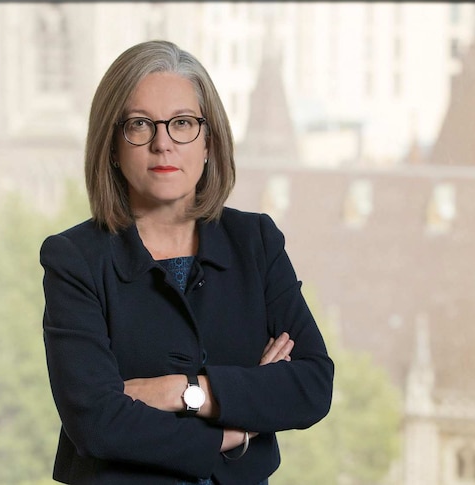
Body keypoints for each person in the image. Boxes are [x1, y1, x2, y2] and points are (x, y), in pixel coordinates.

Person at [40, 40, 334, 485]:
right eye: (140, 125)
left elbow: (311, 384)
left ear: (209, 142)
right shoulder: (74, 260)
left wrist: (185, 392)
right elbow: (97, 423)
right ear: (113, 147)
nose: (163, 144)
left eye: (182, 124)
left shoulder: (255, 241)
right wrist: (235, 425)